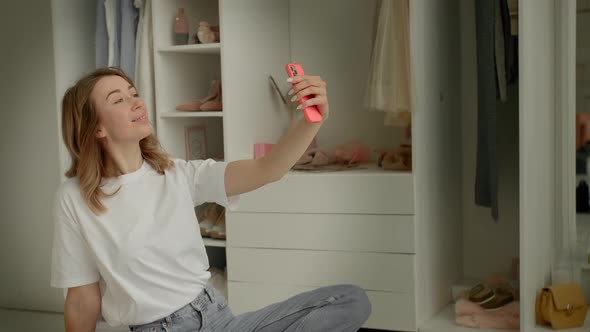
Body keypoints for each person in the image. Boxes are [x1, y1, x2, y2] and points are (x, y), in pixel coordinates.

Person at [50, 67, 371, 332]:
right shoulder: (75, 199)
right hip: (160, 328)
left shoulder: (176, 174)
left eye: (134, 93)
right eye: (118, 99)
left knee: (350, 299)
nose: (136, 102)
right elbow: (82, 300)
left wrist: (312, 120)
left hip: (218, 317)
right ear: (96, 128)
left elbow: (267, 169)